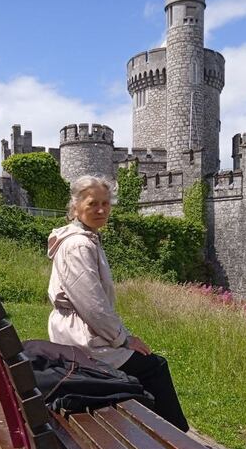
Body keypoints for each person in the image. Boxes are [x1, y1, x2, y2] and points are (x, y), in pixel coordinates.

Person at [47, 175, 189, 432]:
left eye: (106, 203)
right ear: (76, 206)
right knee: (154, 368)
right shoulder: (78, 244)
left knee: (147, 368)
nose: (101, 210)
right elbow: (93, 306)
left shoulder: (83, 238)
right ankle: (177, 442)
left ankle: (161, 438)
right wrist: (123, 338)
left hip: (76, 332)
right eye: (92, 204)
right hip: (82, 339)